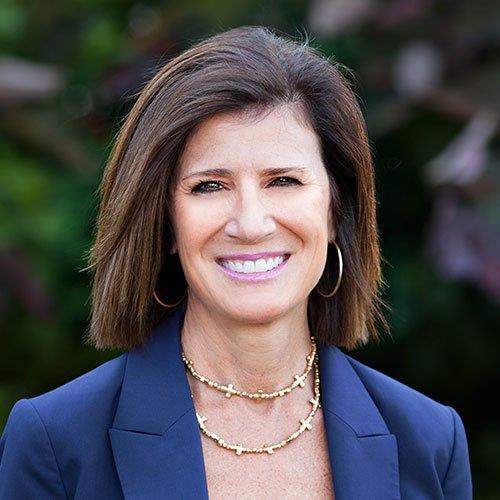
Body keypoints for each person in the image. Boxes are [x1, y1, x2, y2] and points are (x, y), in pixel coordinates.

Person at [0, 26, 472, 499]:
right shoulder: (56, 444)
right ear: (165, 221)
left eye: (283, 181)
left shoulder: (431, 442)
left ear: (335, 212)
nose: (250, 224)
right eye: (209, 186)